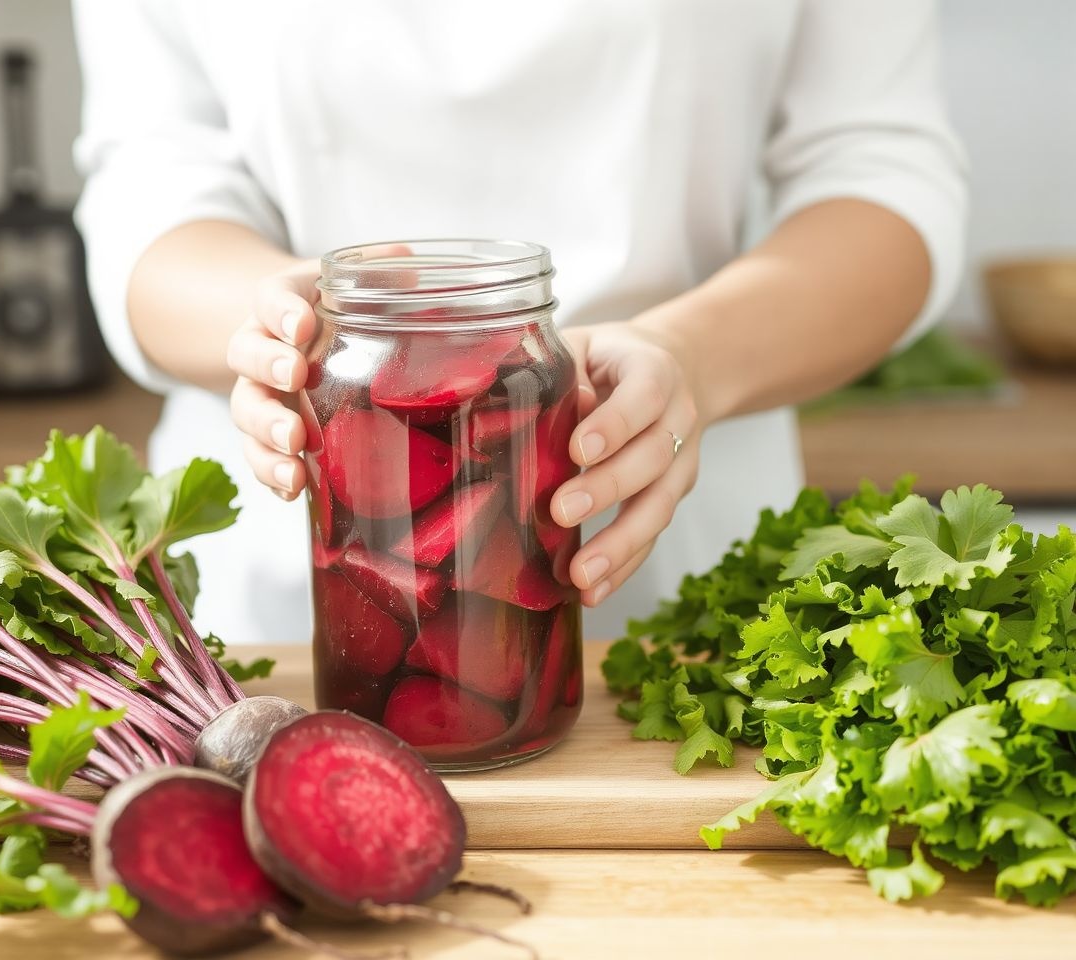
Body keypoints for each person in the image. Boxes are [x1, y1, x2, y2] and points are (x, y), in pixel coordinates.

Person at [71, 1, 967, 644]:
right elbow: (150, 186)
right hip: (272, 577)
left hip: (691, 550)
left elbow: (881, 169)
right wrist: (276, 323)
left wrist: (691, 353)